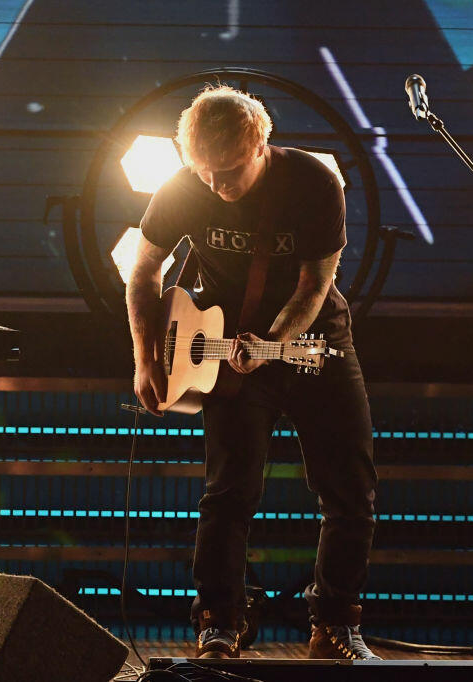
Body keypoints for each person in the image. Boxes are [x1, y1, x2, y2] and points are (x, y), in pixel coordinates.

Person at [125, 85, 379, 660]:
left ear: (261, 144)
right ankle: (219, 620)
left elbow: (315, 285)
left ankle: (335, 623)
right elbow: (142, 269)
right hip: (220, 344)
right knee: (228, 492)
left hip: (314, 341)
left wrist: (272, 343)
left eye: (231, 170)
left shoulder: (314, 182)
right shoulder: (185, 185)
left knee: (350, 489)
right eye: (206, 171)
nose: (218, 185)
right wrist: (145, 357)